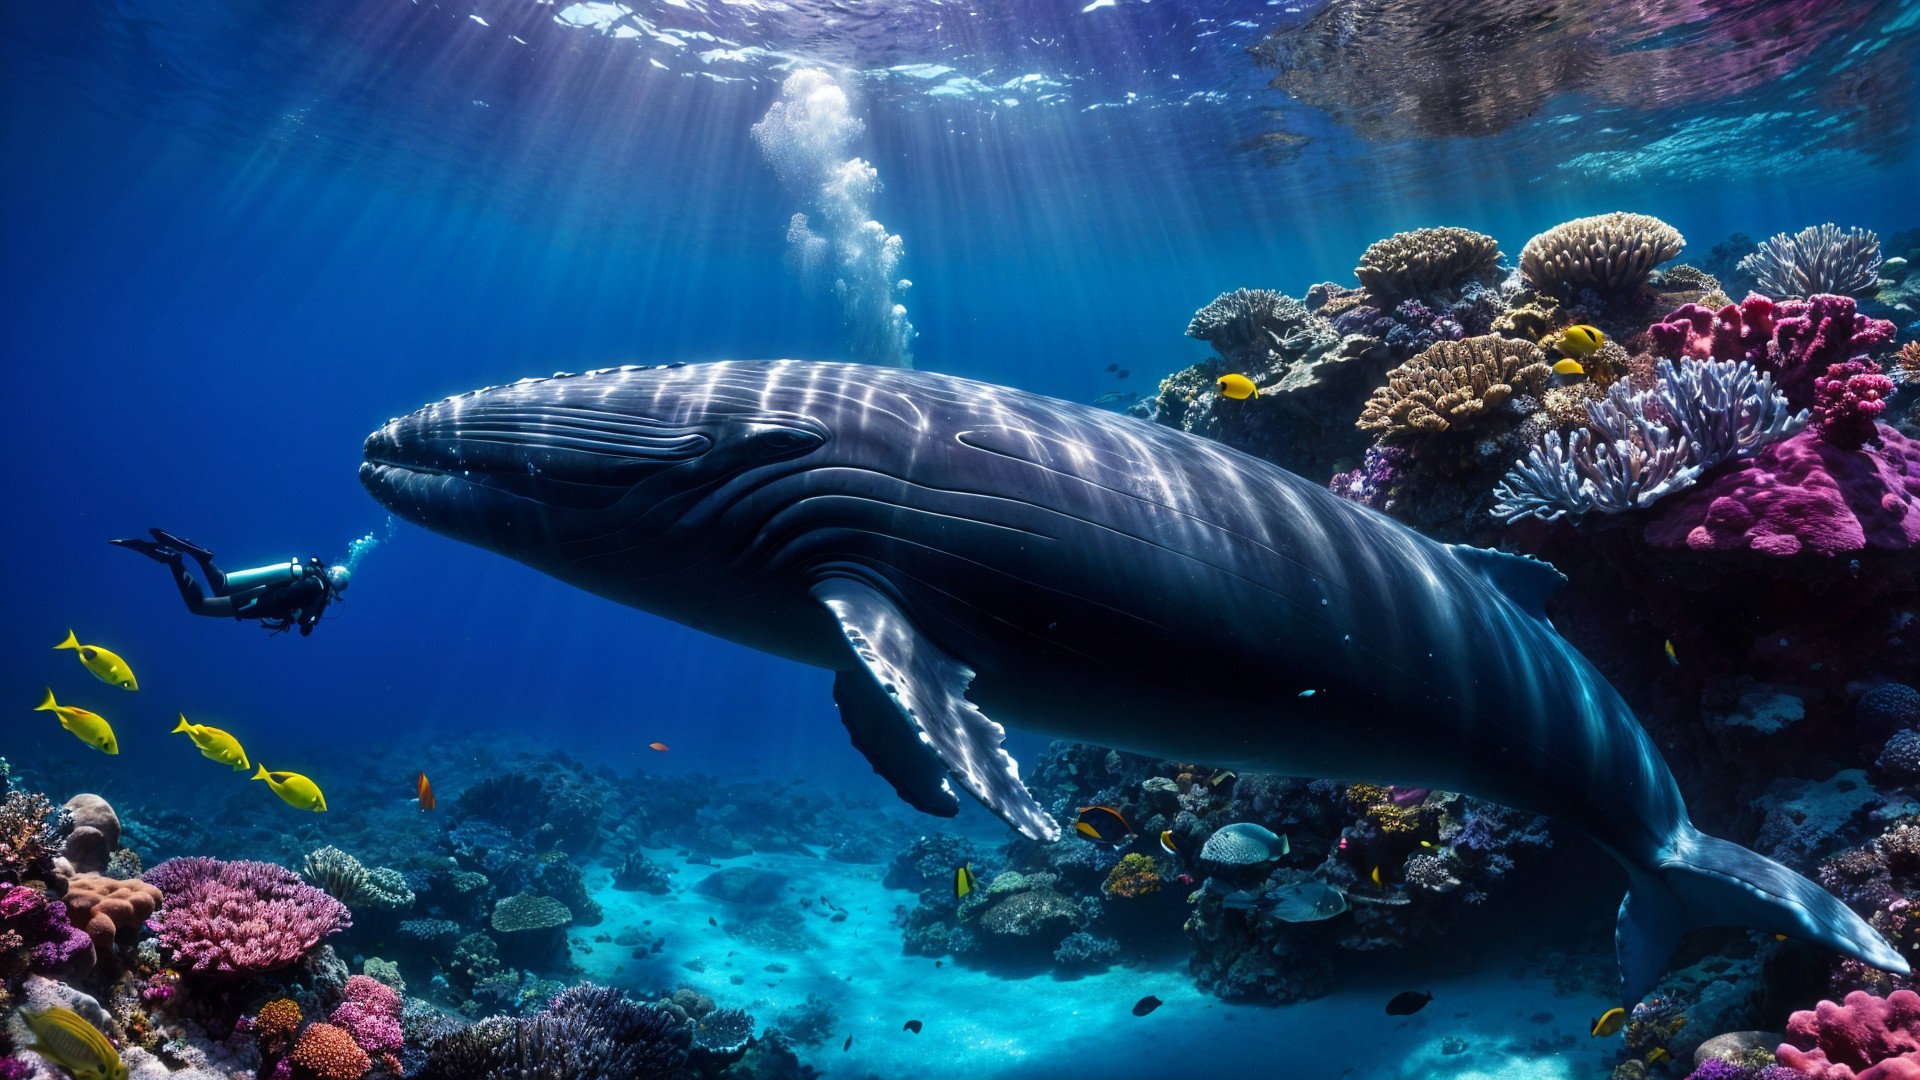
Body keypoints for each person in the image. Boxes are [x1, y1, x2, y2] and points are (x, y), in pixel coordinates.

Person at [111, 528, 349, 636]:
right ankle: (174, 561)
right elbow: (306, 625)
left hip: (272, 581)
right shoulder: (321, 592)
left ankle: (202, 557)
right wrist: (303, 618)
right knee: (199, 606)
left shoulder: (311, 571)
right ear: (337, 587)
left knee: (222, 583)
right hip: (261, 601)